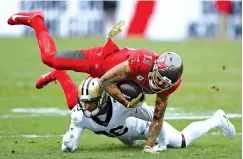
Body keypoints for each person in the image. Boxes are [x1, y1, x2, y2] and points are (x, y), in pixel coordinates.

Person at [7, 11, 184, 152]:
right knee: (49, 57)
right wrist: (126, 102)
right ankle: (36, 20)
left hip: (115, 81)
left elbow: (158, 117)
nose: (159, 85)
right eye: (158, 79)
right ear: (154, 66)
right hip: (101, 63)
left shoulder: (171, 84)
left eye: (164, 84)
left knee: (77, 105)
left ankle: (59, 75)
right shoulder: (141, 61)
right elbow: (105, 81)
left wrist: (148, 145)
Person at [61, 77, 235, 152]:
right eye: (84, 101)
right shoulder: (80, 114)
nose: (87, 106)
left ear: (103, 98)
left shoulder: (122, 105)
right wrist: (68, 143)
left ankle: (217, 119)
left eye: (91, 101)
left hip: (143, 128)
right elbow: (70, 145)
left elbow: (155, 116)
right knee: (130, 143)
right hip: (125, 134)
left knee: (181, 141)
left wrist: (162, 139)